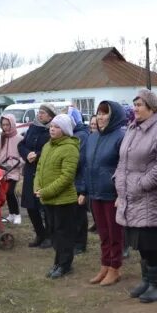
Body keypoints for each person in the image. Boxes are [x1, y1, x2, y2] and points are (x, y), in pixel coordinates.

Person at [115, 89, 157, 302]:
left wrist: (142, 184)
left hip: (149, 197)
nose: (135, 108)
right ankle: (147, 280)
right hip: (131, 195)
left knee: (148, 243)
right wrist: (119, 181)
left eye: (140, 105)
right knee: (139, 243)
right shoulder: (133, 127)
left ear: (152, 107)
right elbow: (123, 160)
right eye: (134, 104)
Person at [78, 101, 126, 286]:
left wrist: (121, 192)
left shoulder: (121, 137)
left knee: (115, 233)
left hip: (111, 193)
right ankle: (105, 265)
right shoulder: (92, 138)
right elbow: (85, 165)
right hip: (95, 192)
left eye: (105, 113)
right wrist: (84, 189)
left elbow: (123, 167)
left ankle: (115, 268)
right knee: (103, 233)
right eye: (98, 113)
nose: (100, 116)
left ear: (113, 116)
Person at [35, 114, 80, 279]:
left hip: (64, 200)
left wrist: (46, 191)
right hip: (48, 199)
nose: (52, 129)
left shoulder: (70, 148)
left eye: (57, 126)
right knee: (54, 232)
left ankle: (65, 264)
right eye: (52, 126)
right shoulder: (48, 146)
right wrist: (37, 186)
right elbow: (39, 168)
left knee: (64, 233)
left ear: (65, 130)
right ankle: (58, 261)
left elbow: (67, 177)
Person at [19, 103, 54, 248]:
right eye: (39, 112)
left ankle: (50, 236)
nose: (40, 115)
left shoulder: (53, 129)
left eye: (43, 113)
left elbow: (53, 148)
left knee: (45, 206)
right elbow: (21, 144)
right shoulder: (33, 127)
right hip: (30, 169)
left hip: (44, 171)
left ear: (51, 116)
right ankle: (40, 234)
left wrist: (38, 155)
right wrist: (27, 154)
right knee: (31, 205)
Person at [0, 114, 23, 224]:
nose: (5, 127)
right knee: (6, 193)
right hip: (3, 171)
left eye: (7, 124)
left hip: (14, 171)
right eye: (3, 125)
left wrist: (16, 164)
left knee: (11, 192)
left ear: (13, 124)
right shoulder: (0, 138)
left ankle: (18, 215)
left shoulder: (19, 138)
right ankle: (11, 214)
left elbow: (23, 156)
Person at [68, 107, 90, 255]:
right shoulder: (73, 134)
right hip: (73, 179)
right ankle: (75, 240)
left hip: (79, 180)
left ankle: (80, 243)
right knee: (73, 213)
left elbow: (79, 159)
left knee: (79, 213)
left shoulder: (80, 135)